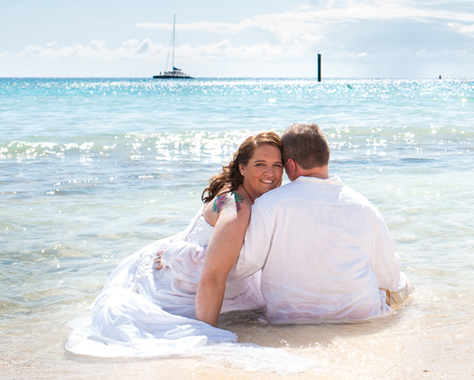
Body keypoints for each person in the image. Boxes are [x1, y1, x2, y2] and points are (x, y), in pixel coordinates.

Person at [66, 132, 284, 356]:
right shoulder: (236, 207)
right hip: (181, 288)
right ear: (242, 168)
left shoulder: (244, 194)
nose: (270, 173)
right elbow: (211, 278)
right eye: (260, 164)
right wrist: (207, 335)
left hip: (193, 270)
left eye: (277, 165)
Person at [197, 123, 412, 325]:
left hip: (289, 321)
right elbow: (388, 276)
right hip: (361, 319)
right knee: (402, 285)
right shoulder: (366, 207)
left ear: (289, 165)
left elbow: (243, 266)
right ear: (326, 158)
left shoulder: (270, 204)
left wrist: (197, 257)